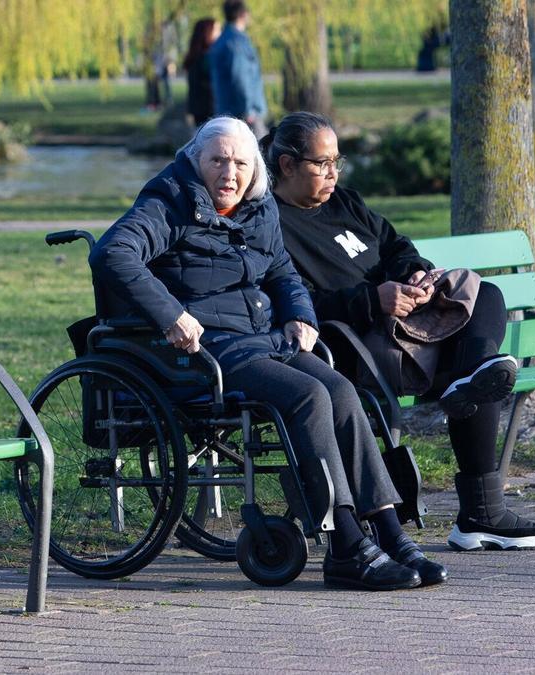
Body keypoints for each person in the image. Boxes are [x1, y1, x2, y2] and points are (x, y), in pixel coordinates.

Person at [89, 117, 447, 590]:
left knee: (340, 390)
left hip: (262, 339)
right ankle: (344, 544)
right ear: (197, 161)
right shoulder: (168, 202)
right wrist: (171, 314)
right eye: (218, 160)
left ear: (254, 168)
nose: (229, 173)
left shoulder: (258, 210)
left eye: (239, 162)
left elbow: (282, 273)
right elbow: (113, 253)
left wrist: (302, 316)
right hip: (204, 351)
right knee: (307, 396)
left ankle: (389, 530)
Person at [265, 111, 535, 553]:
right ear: (287, 165)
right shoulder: (272, 224)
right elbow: (292, 301)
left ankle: (473, 372)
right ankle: (482, 514)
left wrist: (415, 274)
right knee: (471, 368)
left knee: (485, 294)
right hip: (359, 342)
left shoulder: (345, 202)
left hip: (409, 321)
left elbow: (396, 246)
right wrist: (372, 300)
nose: (333, 174)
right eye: (322, 164)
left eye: (337, 162)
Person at [208, 1, 268, 138]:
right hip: (244, 115)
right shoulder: (237, 42)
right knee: (259, 154)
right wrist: (248, 110)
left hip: (227, 112)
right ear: (243, 15)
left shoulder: (222, 40)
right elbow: (240, 78)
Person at [183, 18, 220, 127]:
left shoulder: (194, 56)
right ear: (208, 33)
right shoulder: (207, 57)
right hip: (210, 110)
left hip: (197, 109)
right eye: (217, 30)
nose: (220, 33)